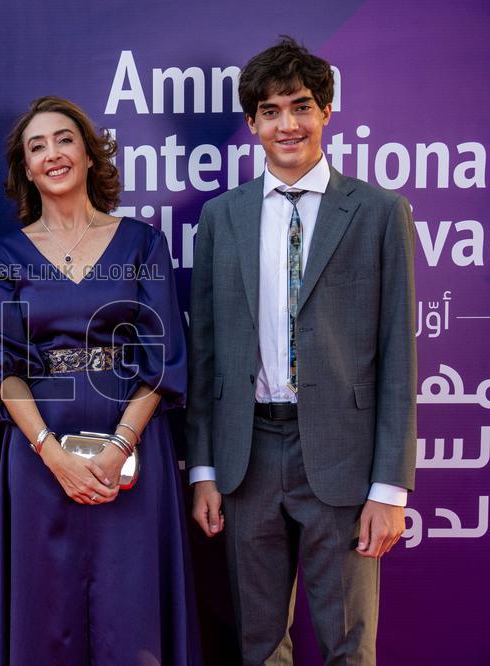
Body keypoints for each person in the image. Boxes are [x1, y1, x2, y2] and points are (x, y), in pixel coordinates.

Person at [187, 37, 417, 664]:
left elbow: (399, 357)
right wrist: (203, 471)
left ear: (326, 111)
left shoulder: (377, 212)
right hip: (247, 457)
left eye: (300, 105)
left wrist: (390, 490)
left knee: (349, 643)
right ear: (253, 123)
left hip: (343, 462)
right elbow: (204, 353)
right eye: (269, 111)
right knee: (259, 644)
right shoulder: (221, 218)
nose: (286, 123)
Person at [0, 96, 201, 665]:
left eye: (63, 139)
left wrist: (118, 448)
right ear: (25, 169)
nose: (52, 153)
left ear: (87, 151)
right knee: (45, 611)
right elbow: (3, 374)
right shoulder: (2, 254)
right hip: (38, 455)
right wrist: (52, 455)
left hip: (131, 450)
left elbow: (163, 363)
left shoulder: (143, 241)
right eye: (37, 146)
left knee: (132, 618)